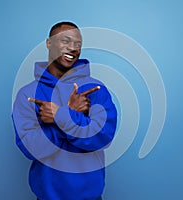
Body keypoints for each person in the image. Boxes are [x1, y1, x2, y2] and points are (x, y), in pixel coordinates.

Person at [12, 21, 117, 200]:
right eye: (65, 41)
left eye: (77, 44)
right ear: (49, 43)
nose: (72, 48)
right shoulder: (28, 94)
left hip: (91, 197)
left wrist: (60, 115)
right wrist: (71, 115)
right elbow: (30, 149)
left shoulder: (95, 89)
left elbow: (102, 138)